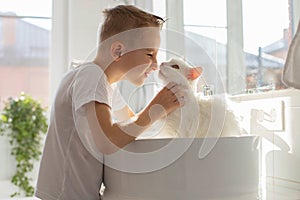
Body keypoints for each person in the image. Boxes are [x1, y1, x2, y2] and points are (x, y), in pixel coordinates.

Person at [35, 5, 186, 200]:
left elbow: (131, 122)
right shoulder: (91, 76)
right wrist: (156, 109)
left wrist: (168, 108)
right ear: (118, 51)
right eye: (150, 54)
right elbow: (107, 141)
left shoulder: (104, 83)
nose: (156, 64)